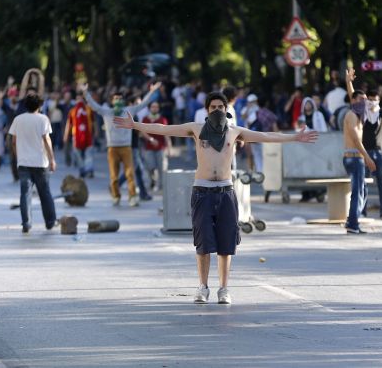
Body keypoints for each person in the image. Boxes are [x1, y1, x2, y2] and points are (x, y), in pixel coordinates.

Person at [115, 92, 317, 304]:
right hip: (202, 191)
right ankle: (202, 287)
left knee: (226, 244)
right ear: (207, 110)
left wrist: (294, 136)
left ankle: (224, 289)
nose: (217, 110)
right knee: (203, 244)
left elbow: (266, 136)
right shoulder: (196, 129)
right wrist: (135, 125)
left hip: (225, 192)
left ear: (226, 109)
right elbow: (164, 129)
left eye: (221, 106)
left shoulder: (234, 132)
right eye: (213, 107)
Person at [83, 82, 161, 207]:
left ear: (123, 100)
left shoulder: (129, 110)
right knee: (114, 176)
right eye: (116, 98)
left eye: (120, 98)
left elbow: (143, 103)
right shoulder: (106, 112)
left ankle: (132, 197)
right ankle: (116, 196)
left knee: (130, 173)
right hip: (112, 148)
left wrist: (151, 91)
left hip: (126, 147)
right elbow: (93, 105)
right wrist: (85, 92)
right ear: (112, 100)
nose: (118, 100)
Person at [346, 67, 382, 219]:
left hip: (380, 152)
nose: (372, 102)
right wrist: (348, 82)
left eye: (375, 99)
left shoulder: (381, 112)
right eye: (370, 99)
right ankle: (362, 212)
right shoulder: (361, 112)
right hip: (364, 153)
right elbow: (353, 97)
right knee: (362, 184)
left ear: (379, 100)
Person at [8, 93, 57, 233]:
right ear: (39, 106)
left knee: (25, 194)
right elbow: (47, 140)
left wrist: (19, 156)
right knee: (45, 193)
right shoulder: (43, 119)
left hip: (23, 163)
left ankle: (26, 223)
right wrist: (52, 159)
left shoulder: (18, 119)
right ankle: (50, 221)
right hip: (41, 162)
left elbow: (13, 141)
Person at [342, 89, 377, 233]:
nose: (364, 102)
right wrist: (367, 158)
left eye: (365, 99)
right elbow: (356, 140)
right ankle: (352, 224)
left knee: (361, 191)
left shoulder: (358, 116)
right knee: (357, 192)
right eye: (360, 99)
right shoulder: (351, 115)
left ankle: (352, 220)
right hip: (354, 158)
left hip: (357, 158)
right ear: (353, 100)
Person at [65, 90, 95, 178]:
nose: (79, 101)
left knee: (88, 154)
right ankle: (82, 169)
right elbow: (69, 123)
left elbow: (93, 121)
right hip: (76, 136)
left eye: (81, 99)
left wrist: (95, 132)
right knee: (78, 154)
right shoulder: (72, 111)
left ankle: (89, 170)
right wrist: (66, 134)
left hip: (88, 134)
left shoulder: (89, 109)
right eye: (78, 99)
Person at [142, 101, 171, 192]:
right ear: (150, 108)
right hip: (149, 148)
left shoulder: (162, 119)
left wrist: (169, 148)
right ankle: (153, 181)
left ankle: (162, 187)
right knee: (150, 167)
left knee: (162, 168)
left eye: (156, 107)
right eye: (153, 107)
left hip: (161, 148)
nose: (154, 108)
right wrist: (151, 139)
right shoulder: (145, 119)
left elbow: (166, 134)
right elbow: (142, 131)